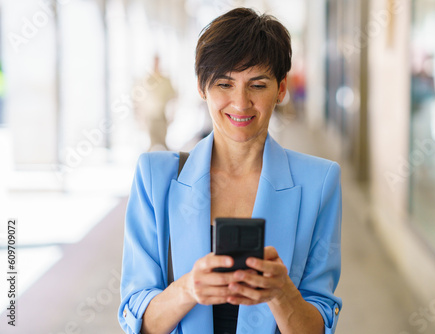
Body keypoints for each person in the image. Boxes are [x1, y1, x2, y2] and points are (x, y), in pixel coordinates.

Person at [118, 8, 342, 334]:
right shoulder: (155, 178)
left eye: (257, 85)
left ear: (281, 89)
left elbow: (319, 326)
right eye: (224, 83)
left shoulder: (319, 182)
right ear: (201, 87)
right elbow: (137, 321)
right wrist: (189, 289)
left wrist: (282, 293)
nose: (240, 103)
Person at [133, 54, 176, 151]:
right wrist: (139, 116)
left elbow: (173, 98)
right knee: (152, 142)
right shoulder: (145, 81)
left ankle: (166, 161)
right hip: (149, 116)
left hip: (162, 116)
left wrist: (172, 114)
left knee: (162, 141)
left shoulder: (165, 80)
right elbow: (137, 99)